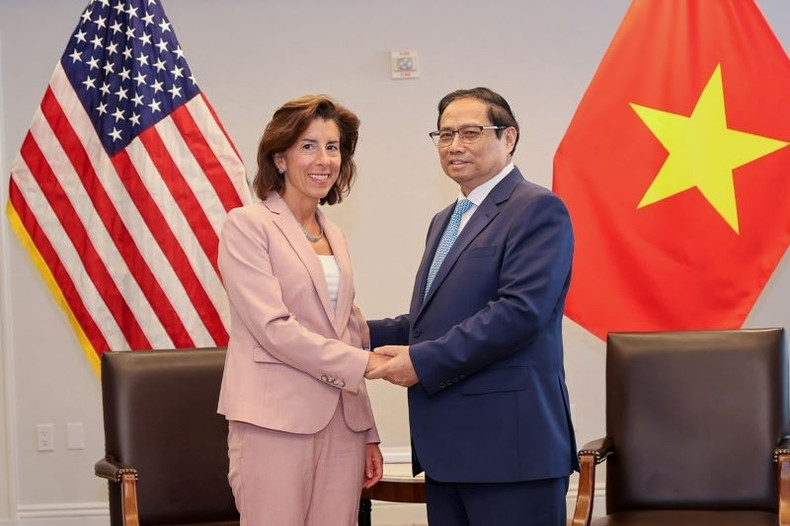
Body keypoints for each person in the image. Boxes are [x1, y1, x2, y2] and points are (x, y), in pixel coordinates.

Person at [366, 87, 578, 526]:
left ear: (509, 137)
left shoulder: (537, 209)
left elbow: (519, 313)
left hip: (510, 452)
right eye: (444, 135)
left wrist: (421, 363)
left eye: (470, 132)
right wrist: (353, 331)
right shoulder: (444, 220)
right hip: (449, 453)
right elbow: (432, 323)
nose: (455, 146)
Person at [217, 94, 387, 525]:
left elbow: (348, 330)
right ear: (279, 157)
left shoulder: (335, 235)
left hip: (342, 427)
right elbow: (274, 328)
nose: (324, 160)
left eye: (333, 148)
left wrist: (367, 431)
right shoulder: (247, 225)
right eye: (309, 146)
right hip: (274, 420)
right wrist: (365, 364)